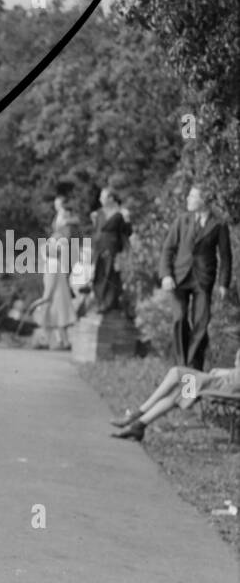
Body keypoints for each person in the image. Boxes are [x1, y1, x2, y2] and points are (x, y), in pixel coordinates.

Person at [159, 184, 233, 371]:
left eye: (193, 196)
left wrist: (223, 284)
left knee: (201, 323)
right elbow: (168, 249)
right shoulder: (182, 220)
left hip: (203, 279)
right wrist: (166, 275)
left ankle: (192, 366)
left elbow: (225, 256)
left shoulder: (219, 224)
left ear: (205, 201)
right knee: (179, 318)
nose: (188, 199)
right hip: (179, 278)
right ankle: (182, 363)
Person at [109, 347, 240, 441]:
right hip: (220, 383)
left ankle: (136, 415)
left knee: (176, 373)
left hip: (224, 387)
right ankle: (138, 425)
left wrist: (223, 372)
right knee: (177, 393)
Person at [29, 188, 79, 350]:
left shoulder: (64, 214)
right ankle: (60, 340)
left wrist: (65, 225)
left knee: (48, 314)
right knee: (56, 315)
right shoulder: (58, 217)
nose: (55, 205)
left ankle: (50, 340)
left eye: (58, 202)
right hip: (59, 248)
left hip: (62, 246)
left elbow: (73, 223)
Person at [90, 185, 133, 316]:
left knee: (110, 273)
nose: (100, 199)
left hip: (112, 245)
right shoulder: (98, 213)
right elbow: (96, 229)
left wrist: (127, 220)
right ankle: (100, 301)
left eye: (103, 196)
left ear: (111, 198)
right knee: (98, 272)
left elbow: (127, 232)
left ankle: (109, 303)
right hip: (99, 245)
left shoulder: (121, 213)